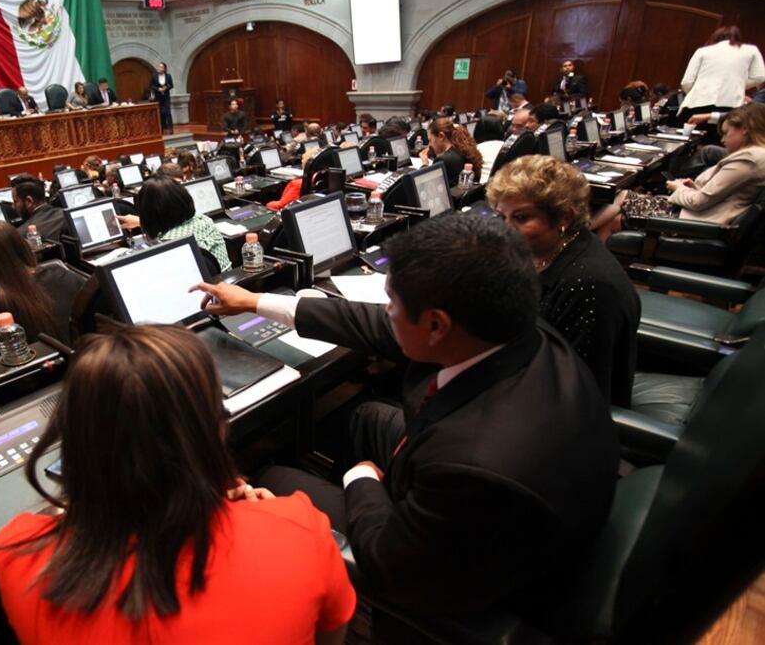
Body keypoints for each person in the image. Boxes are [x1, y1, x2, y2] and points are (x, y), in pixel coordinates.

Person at [190, 213, 618, 638]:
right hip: (473, 486)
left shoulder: (474, 465)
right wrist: (255, 302)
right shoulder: (514, 326)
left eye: (391, 304)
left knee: (273, 478)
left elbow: (386, 565)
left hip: (456, 576)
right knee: (366, 416)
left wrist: (361, 480)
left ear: (436, 325)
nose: (386, 312)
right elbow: (376, 325)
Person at [0, 325, 355, 645]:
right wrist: (252, 515)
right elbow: (330, 634)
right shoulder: (299, 528)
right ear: (214, 430)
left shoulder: (17, 553)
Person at [487, 155, 639, 406]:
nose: (505, 229)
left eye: (521, 218)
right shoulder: (545, 250)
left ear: (564, 218)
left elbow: (577, 390)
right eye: (501, 217)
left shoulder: (590, 286)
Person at [592, 102, 765, 237]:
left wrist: (678, 188)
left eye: (726, 133)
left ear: (744, 130)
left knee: (618, 206)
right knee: (621, 200)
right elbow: (721, 195)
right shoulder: (756, 156)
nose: (722, 140)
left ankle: (579, 235)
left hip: (696, 222)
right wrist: (694, 187)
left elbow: (699, 202)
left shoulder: (748, 159)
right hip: (701, 216)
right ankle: (583, 240)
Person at [118, 176, 230, 272]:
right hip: (227, 285)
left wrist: (145, 222)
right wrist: (140, 221)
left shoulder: (168, 247)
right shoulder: (204, 220)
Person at [679, 26, 765, 142]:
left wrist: (698, 92)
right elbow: (760, 77)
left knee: (688, 143)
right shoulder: (751, 50)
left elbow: (687, 81)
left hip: (696, 105)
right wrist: (736, 86)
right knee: (720, 142)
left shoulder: (703, 51)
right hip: (730, 105)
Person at [419, 118, 483, 183]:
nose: (429, 145)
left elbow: (427, 184)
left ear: (441, 136)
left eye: (430, 140)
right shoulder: (461, 149)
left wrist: (425, 165)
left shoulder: (443, 160)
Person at [151, 62, 174, 132]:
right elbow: (151, 86)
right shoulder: (154, 76)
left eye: (161, 67)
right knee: (160, 113)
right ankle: (162, 128)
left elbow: (171, 85)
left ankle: (170, 128)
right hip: (158, 97)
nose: (159, 68)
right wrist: (158, 89)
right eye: (158, 67)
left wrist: (166, 88)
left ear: (164, 69)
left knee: (168, 112)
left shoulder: (168, 76)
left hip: (166, 97)